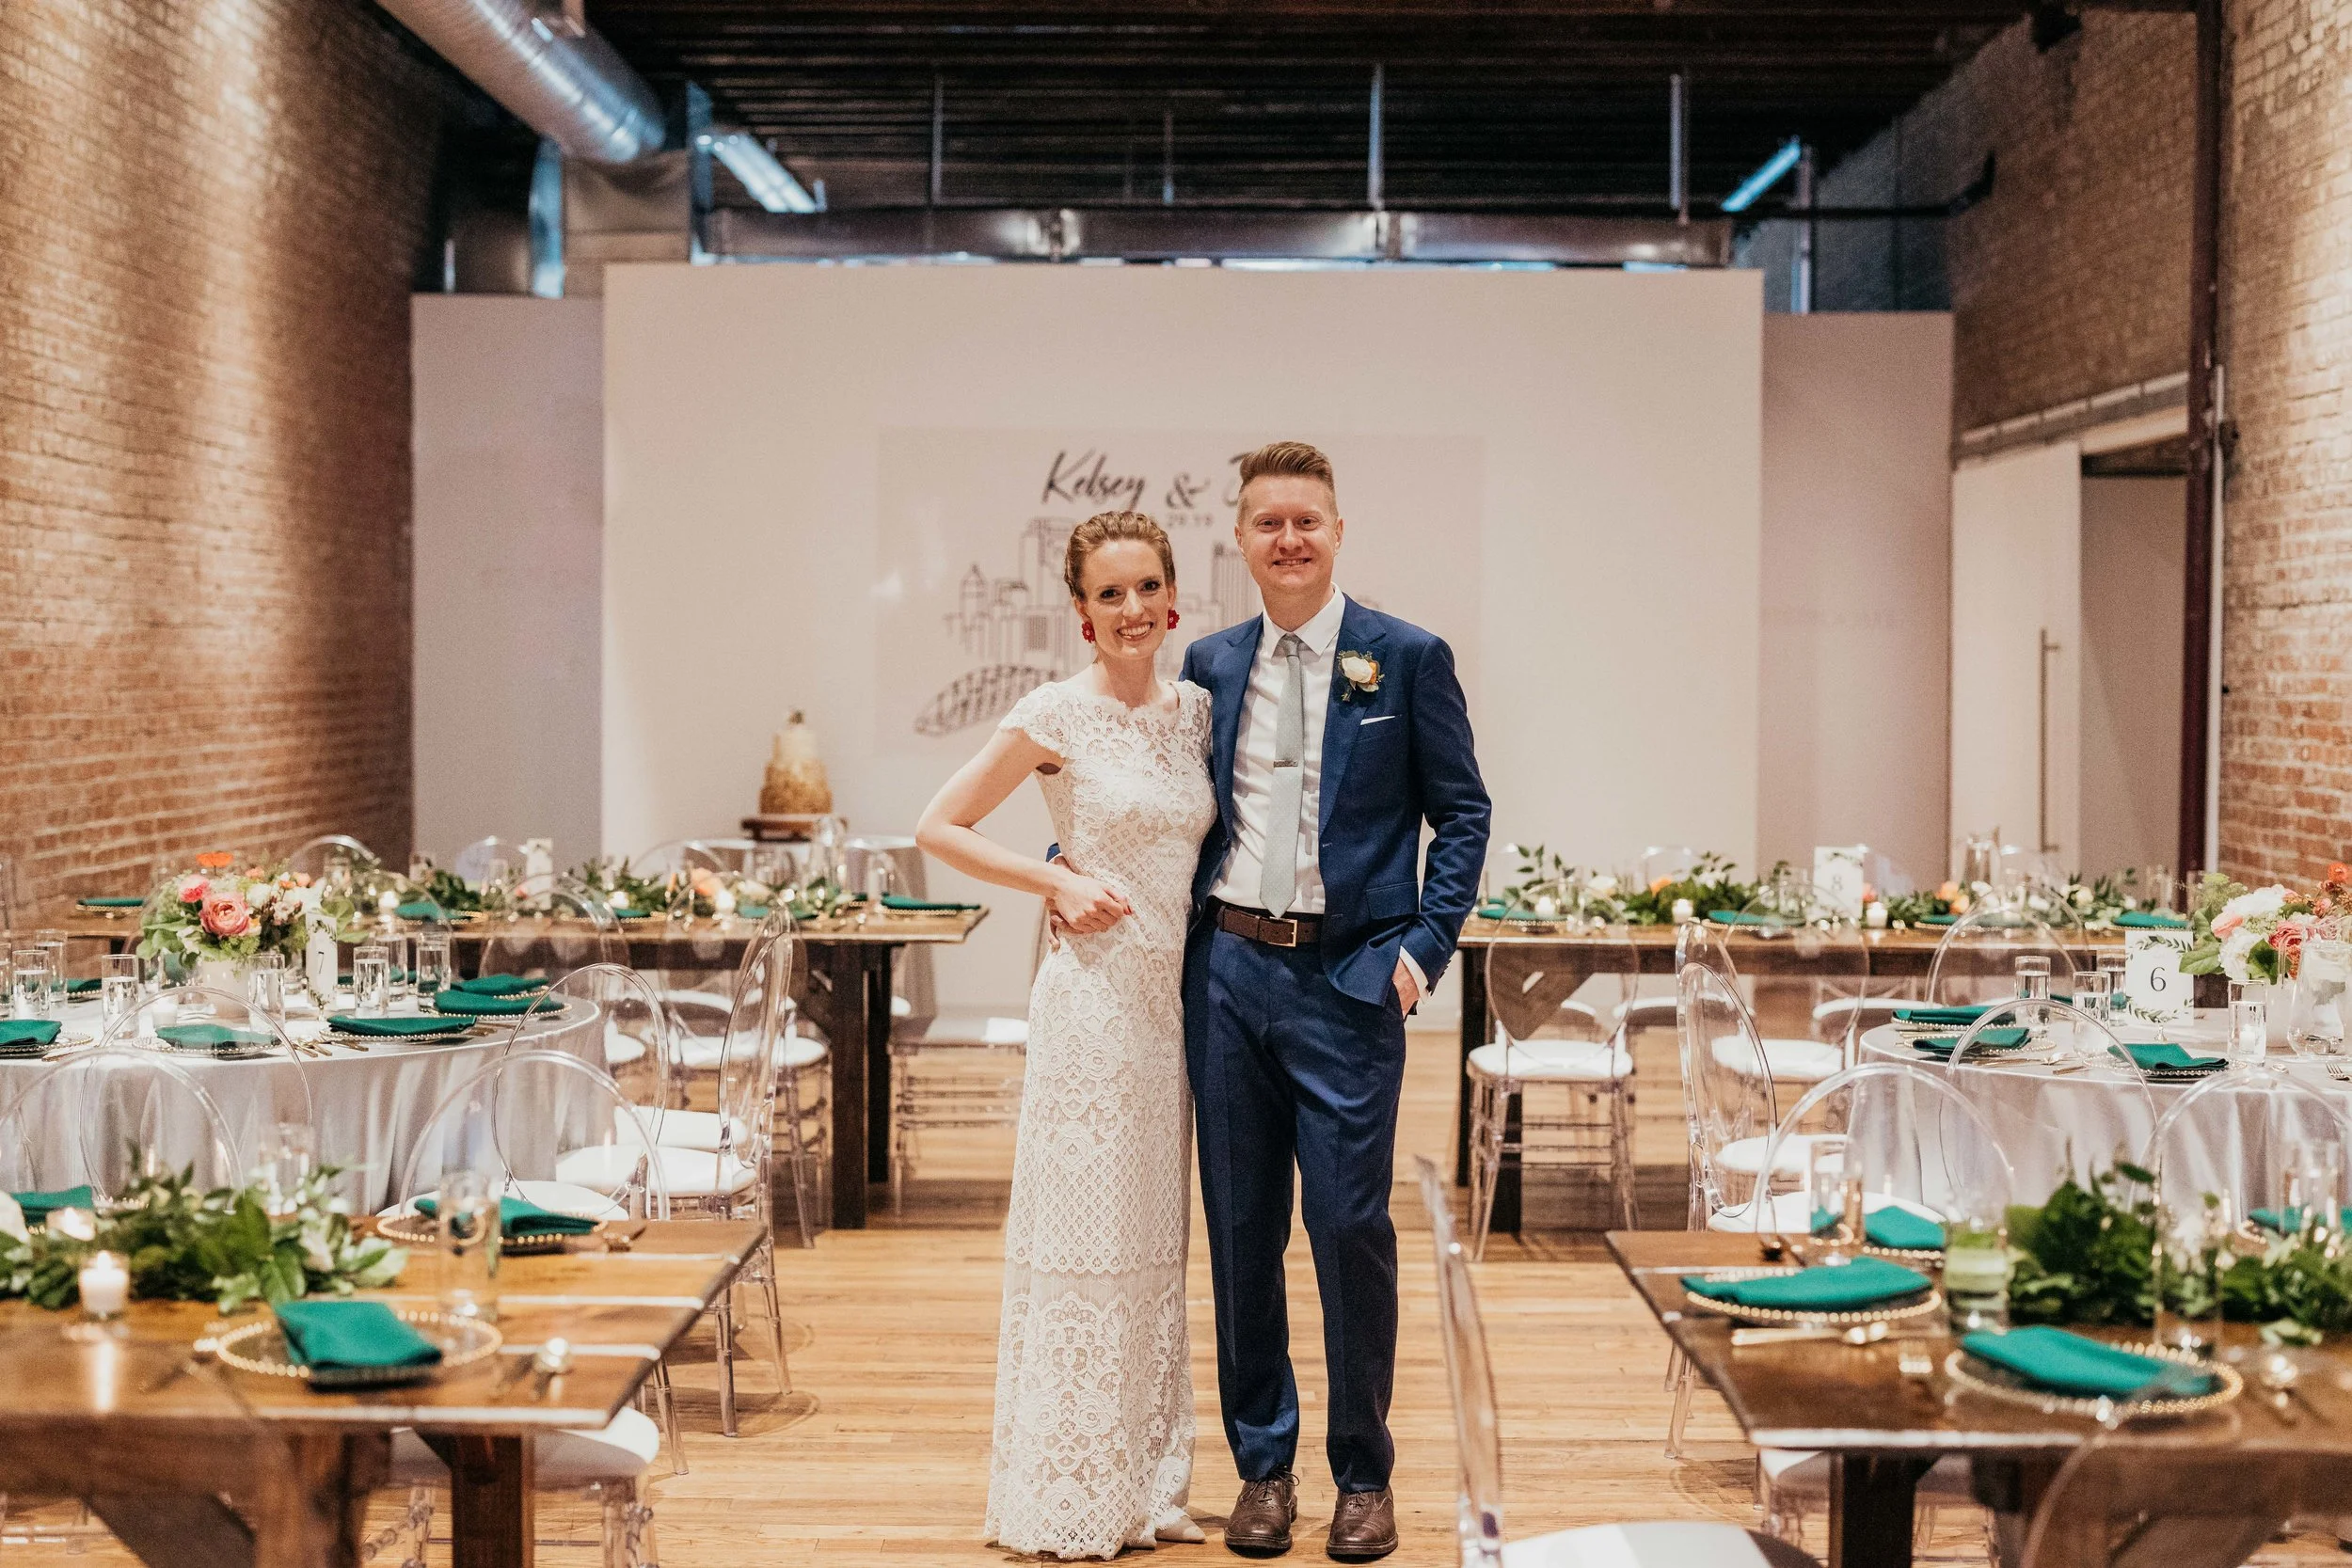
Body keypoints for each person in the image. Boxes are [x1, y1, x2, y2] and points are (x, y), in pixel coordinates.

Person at [1179, 440, 1489, 1560]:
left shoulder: (1404, 657)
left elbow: (1463, 812)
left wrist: (1419, 952)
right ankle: (1263, 1466)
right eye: (1268, 522)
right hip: (1227, 976)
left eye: (1306, 519)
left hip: (1350, 981)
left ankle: (1364, 1473)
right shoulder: (1209, 665)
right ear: (1241, 539)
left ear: (1338, 531)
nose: (1288, 538)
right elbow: (1171, 807)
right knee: (1240, 1228)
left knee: (1349, 1227)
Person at [916, 510, 1213, 1560]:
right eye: (1110, 593)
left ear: (1172, 596)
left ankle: (1143, 1483)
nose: (1132, 609)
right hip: (1091, 1009)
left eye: (1147, 588)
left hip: (1172, 1013)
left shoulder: (1196, 712)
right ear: (1081, 610)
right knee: (1085, 1240)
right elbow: (939, 824)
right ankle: (1067, 1488)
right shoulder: (1054, 713)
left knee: (1151, 1244)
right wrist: (1053, 879)